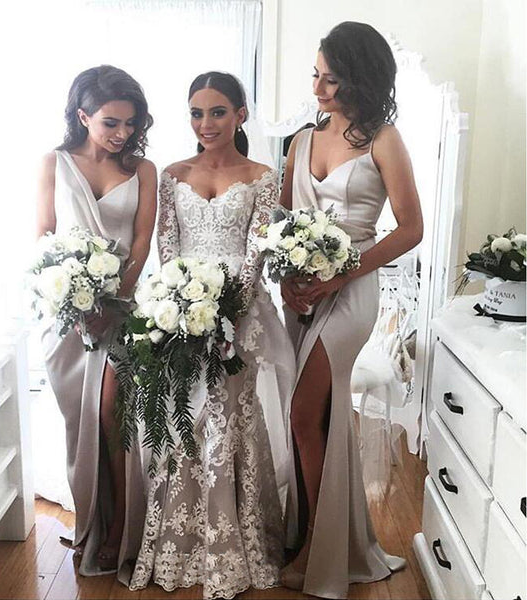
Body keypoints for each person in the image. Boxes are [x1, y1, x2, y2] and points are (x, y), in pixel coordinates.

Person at [127, 71, 296, 600]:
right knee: (184, 420)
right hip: (179, 316)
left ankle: (233, 544)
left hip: (241, 319)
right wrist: (179, 308)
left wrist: (229, 316)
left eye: (218, 112)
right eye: (197, 113)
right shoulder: (172, 174)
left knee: (228, 420)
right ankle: (180, 544)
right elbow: (167, 249)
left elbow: (256, 253)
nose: (206, 123)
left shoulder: (264, 177)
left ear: (240, 115)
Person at [279, 22, 424, 598]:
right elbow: (283, 224)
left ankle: (321, 546)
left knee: (302, 412)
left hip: (352, 289)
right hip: (302, 293)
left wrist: (341, 273)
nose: (318, 89)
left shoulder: (383, 139)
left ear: (359, 79)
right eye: (315, 75)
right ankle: (324, 534)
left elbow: (411, 229)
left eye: (331, 79)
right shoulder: (301, 141)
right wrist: (288, 280)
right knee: (317, 417)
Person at [35, 65, 157, 580]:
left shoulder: (143, 170)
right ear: (83, 116)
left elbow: (142, 242)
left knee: (111, 416)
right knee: (78, 423)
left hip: (120, 311)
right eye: (111, 122)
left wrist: (115, 298)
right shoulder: (54, 163)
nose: (122, 133)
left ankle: (120, 527)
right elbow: (44, 237)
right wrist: (74, 296)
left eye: (131, 122)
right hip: (66, 316)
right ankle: (90, 519)